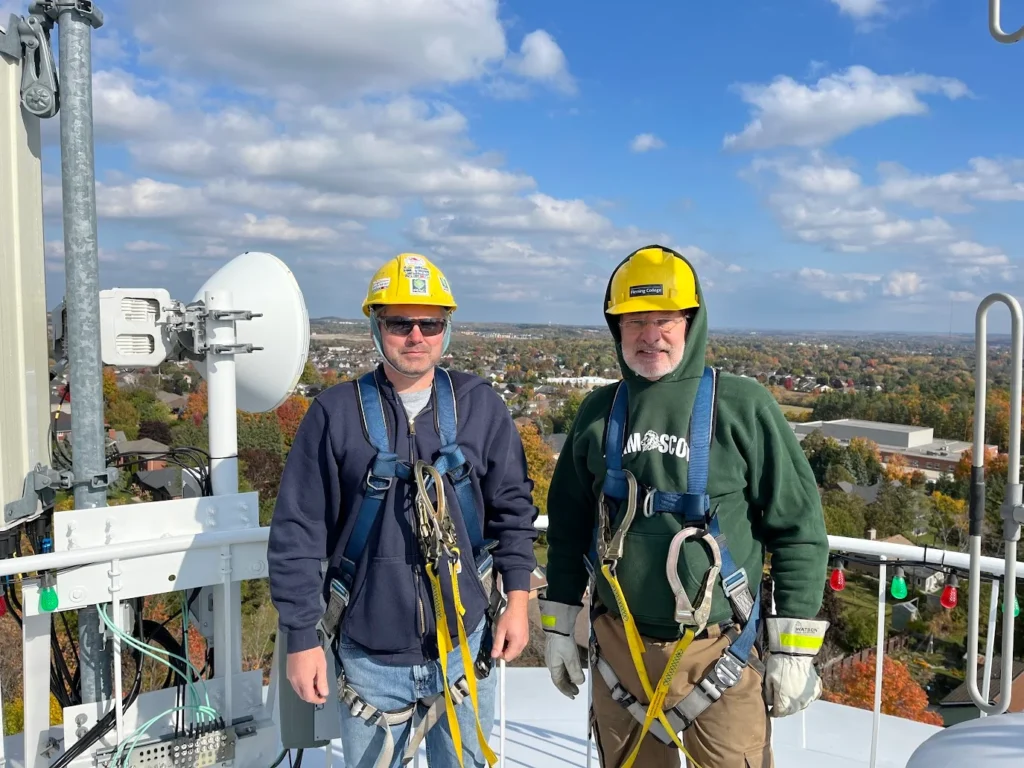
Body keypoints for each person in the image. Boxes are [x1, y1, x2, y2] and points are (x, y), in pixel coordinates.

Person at [538, 245, 830, 768]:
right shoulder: (599, 413)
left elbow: (798, 529)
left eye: (665, 319)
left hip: (719, 654)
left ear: (691, 323)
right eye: (635, 321)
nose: (651, 335)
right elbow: (568, 525)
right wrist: (560, 623)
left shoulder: (742, 406)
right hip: (619, 651)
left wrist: (794, 645)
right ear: (616, 328)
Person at [268, 252, 539, 768]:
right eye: (399, 323)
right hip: (369, 655)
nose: (416, 336)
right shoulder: (335, 414)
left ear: (446, 329)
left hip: (463, 647)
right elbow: (298, 533)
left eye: (430, 323)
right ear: (376, 325)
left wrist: (519, 598)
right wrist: (301, 638)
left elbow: (512, 509)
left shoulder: (480, 406)